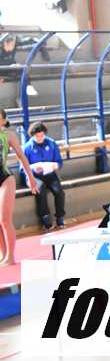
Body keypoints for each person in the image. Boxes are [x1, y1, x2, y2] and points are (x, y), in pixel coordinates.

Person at [0, 109, 38, 266]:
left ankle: (10, 256)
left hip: (4, 178)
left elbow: (22, 157)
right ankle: (3, 255)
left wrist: (31, 178)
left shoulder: (8, 135)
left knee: (4, 219)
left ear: (3, 121)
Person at [21, 122, 66, 230]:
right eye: (37, 136)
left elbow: (59, 161)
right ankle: (46, 221)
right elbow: (22, 168)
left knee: (59, 191)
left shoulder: (52, 143)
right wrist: (33, 168)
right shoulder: (27, 147)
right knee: (40, 189)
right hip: (34, 176)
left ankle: (60, 218)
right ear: (33, 135)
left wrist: (56, 165)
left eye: (42, 135)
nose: (40, 138)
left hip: (50, 174)